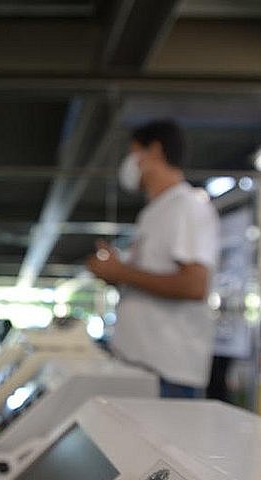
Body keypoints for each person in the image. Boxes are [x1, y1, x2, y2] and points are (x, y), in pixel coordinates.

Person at [87, 119, 219, 399]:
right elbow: (147, 283)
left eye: (134, 152)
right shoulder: (152, 214)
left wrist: (121, 272)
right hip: (140, 367)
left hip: (167, 374)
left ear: (155, 152)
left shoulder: (187, 206)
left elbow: (195, 285)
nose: (130, 163)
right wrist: (115, 274)